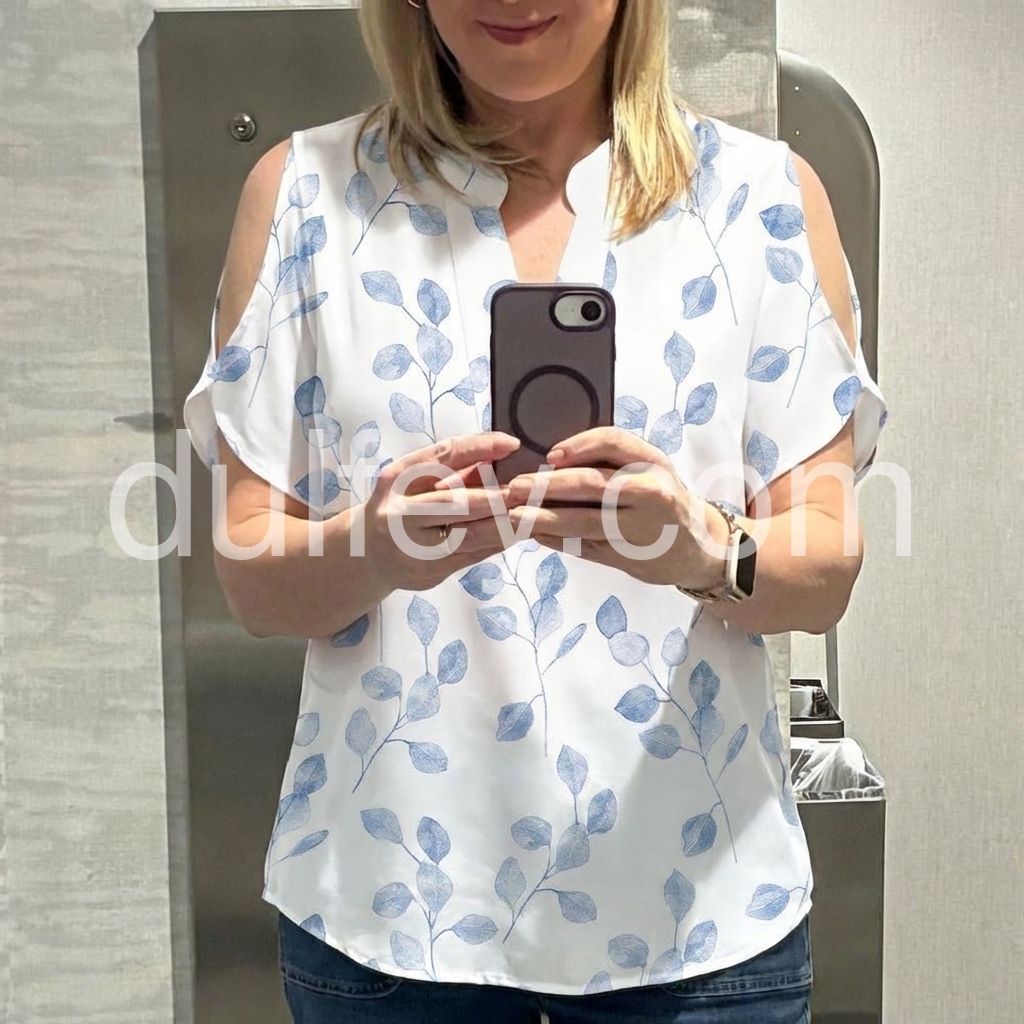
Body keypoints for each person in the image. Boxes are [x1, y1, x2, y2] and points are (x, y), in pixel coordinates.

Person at [184, 1, 885, 1021]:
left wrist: (703, 548)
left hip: (700, 920)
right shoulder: (303, 195)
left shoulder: (763, 200)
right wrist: (371, 549)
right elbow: (251, 583)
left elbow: (824, 573)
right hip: (389, 920)